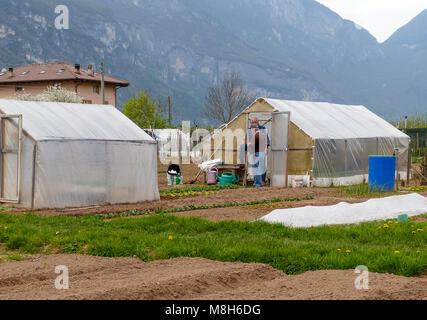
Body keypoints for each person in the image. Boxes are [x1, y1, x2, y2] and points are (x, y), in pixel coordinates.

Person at [245, 118, 270, 183]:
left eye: (255, 122)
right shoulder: (249, 130)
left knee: (260, 166)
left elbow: (266, 140)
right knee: (257, 167)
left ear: (257, 122)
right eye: (252, 122)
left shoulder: (262, 129)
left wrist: (266, 149)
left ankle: (260, 181)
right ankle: (258, 182)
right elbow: (247, 139)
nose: (253, 123)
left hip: (260, 150)